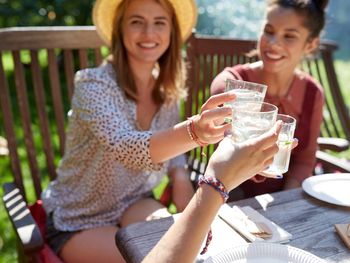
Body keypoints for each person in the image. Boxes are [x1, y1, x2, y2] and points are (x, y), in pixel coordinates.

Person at [41, 0, 236, 262]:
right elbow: (126, 147)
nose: (149, 33)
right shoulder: (93, 85)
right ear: (120, 30)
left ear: (171, 33)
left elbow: (174, 155)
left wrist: (179, 177)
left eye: (159, 22)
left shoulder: (167, 92)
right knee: (154, 257)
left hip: (135, 200)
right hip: (78, 217)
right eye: (136, 22)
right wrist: (194, 132)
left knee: (186, 249)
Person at [211, 0, 327, 199]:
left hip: (283, 200)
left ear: (311, 44)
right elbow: (228, 157)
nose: (273, 43)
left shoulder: (312, 93)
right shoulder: (231, 84)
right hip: (228, 196)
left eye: (289, 36)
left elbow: (305, 160)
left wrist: (285, 204)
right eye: (269, 31)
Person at [143, 123, 282, 263]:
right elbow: (123, 145)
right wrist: (217, 180)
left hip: (143, 200)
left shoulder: (169, 102)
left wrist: (181, 172)